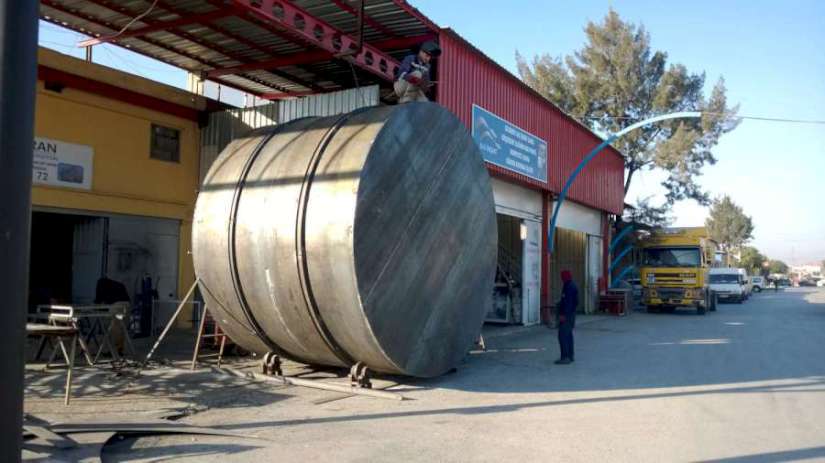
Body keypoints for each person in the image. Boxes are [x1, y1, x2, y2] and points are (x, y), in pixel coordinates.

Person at [555, 270, 578, 365]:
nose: (561, 279)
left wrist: (563, 315)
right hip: (571, 315)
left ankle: (565, 357)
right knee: (568, 335)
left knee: (563, 336)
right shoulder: (570, 285)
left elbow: (568, 303)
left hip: (567, 316)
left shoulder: (569, 287)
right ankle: (570, 355)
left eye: (562, 277)